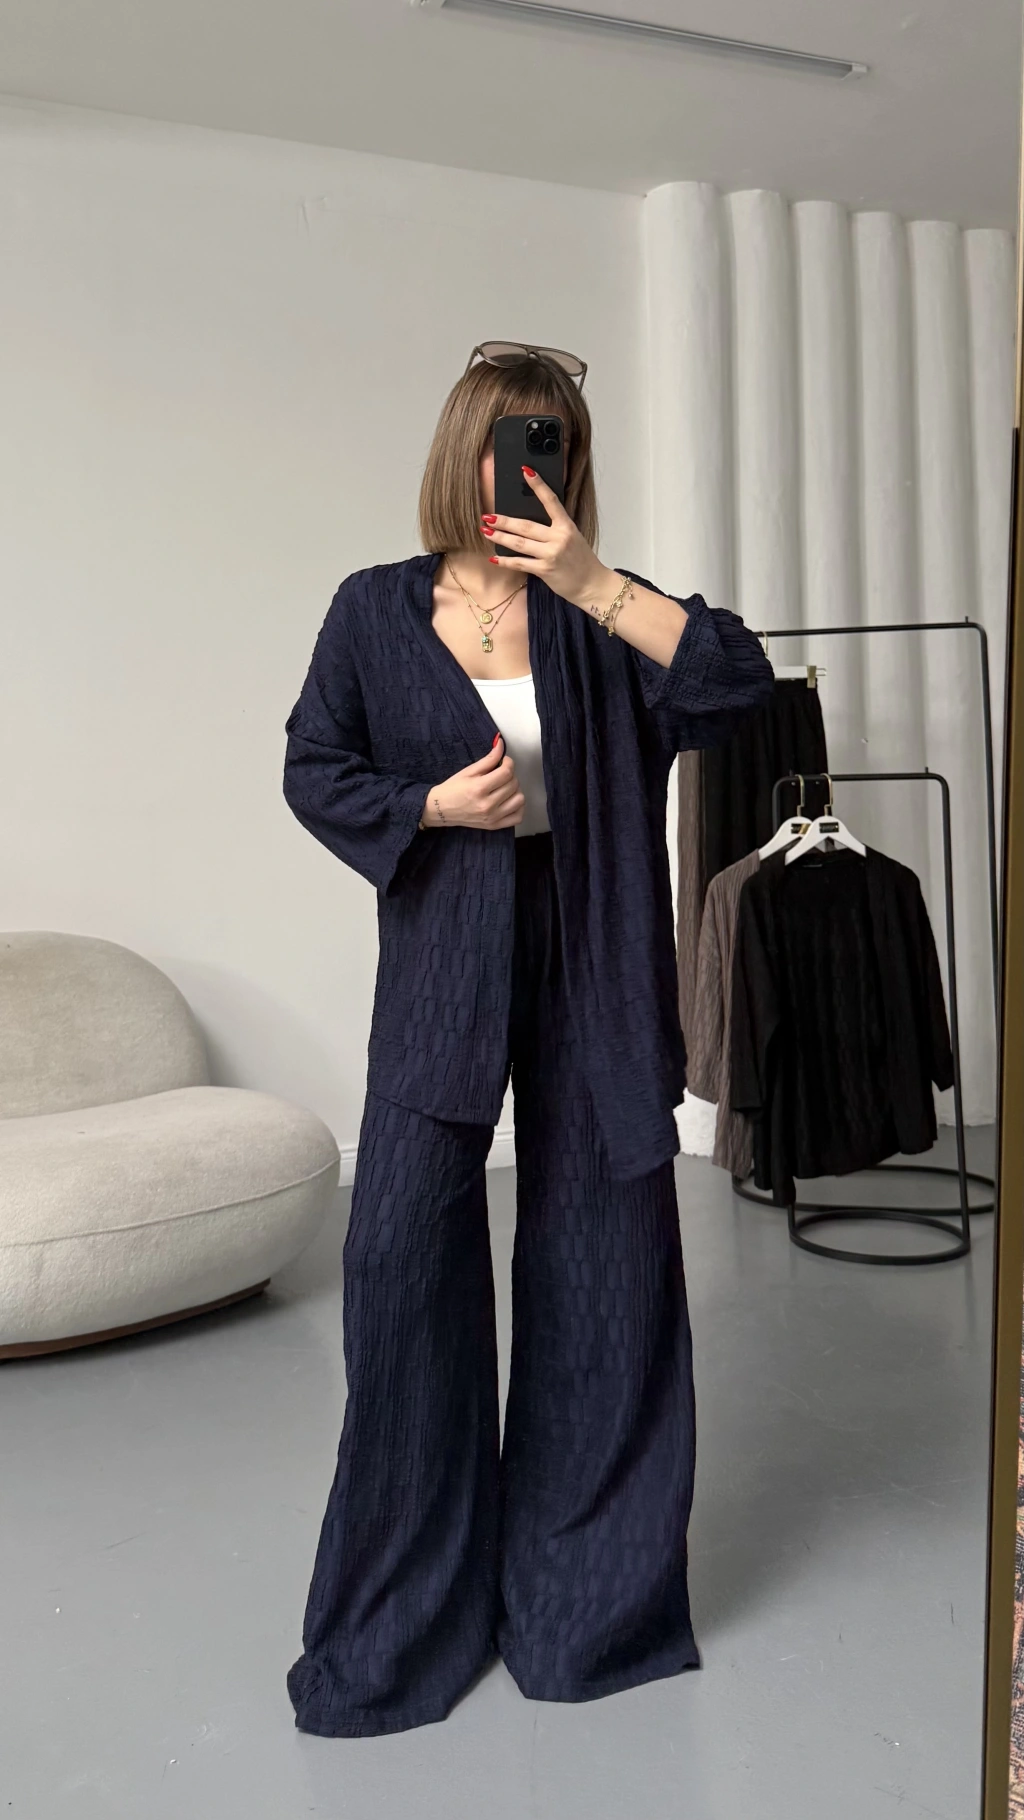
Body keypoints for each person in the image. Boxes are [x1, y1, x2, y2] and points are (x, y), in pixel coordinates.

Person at [281, 340, 775, 1738]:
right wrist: (431, 807)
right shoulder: (374, 610)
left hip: (592, 956)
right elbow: (313, 765)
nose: (533, 464)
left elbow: (737, 683)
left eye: (556, 442)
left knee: (605, 1270)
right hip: (445, 958)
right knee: (398, 1272)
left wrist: (592, 580)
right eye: (514, 438)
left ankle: (584, 1613)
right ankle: (404, 1625)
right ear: (467, 450)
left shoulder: (598, 613)